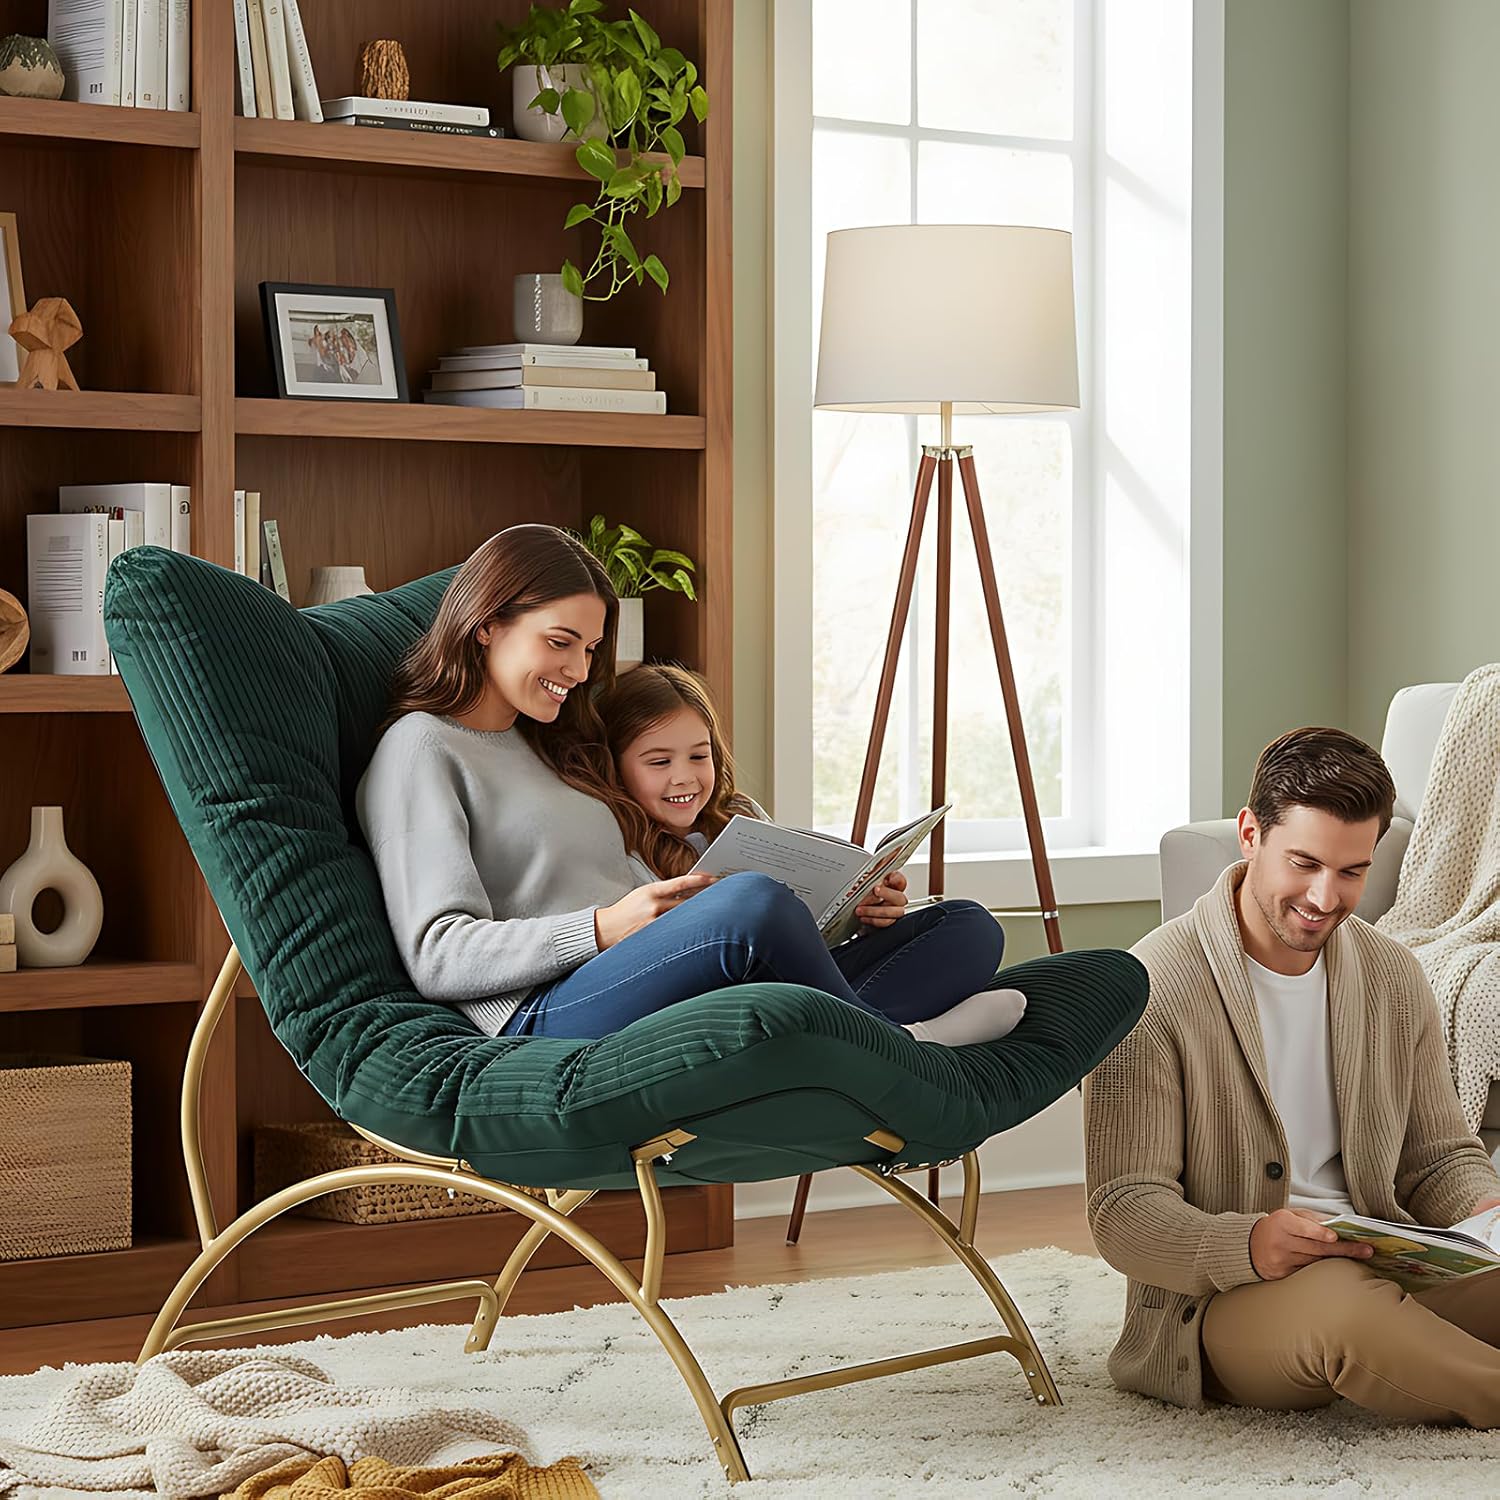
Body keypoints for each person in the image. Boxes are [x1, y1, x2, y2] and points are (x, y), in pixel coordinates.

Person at [355, 525, 1030, 1047]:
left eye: (590, 649)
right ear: (487, 624)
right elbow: (437, 955)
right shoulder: (421, 748)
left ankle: (858, 1030)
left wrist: (844, 905)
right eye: (560, 642)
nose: (579, 669)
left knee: (963, 926)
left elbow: (657, 846)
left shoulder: (550, 738)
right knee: (751, 905)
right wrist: (604, 927)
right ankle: (896, 1048)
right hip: (548, 1005)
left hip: (655, 967)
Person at [1084, 726, 1500, 1427]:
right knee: (1345, 1308)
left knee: (1369, 1291)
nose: (1324, 896)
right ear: (1250, 834)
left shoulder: (1394, 975)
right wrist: (1246, 1243)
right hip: (1221, 1304)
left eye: (1351, 872)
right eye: (1303, 863)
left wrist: (1485, 1218)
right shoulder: (1149, 987)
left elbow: (1439, 1159)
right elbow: (1122, 1211)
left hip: (1382, 1263)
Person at [593, 661, 1026, 1035]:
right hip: (732, 998)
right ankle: (908, 1042)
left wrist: (863, 917)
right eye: (659, 762)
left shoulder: (736, 816)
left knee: (969, 923)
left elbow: (808, 934)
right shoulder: (615, 846)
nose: (684, 777)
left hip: (804, 979)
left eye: (699, 757)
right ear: (614, 765)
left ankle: (872, 1036)